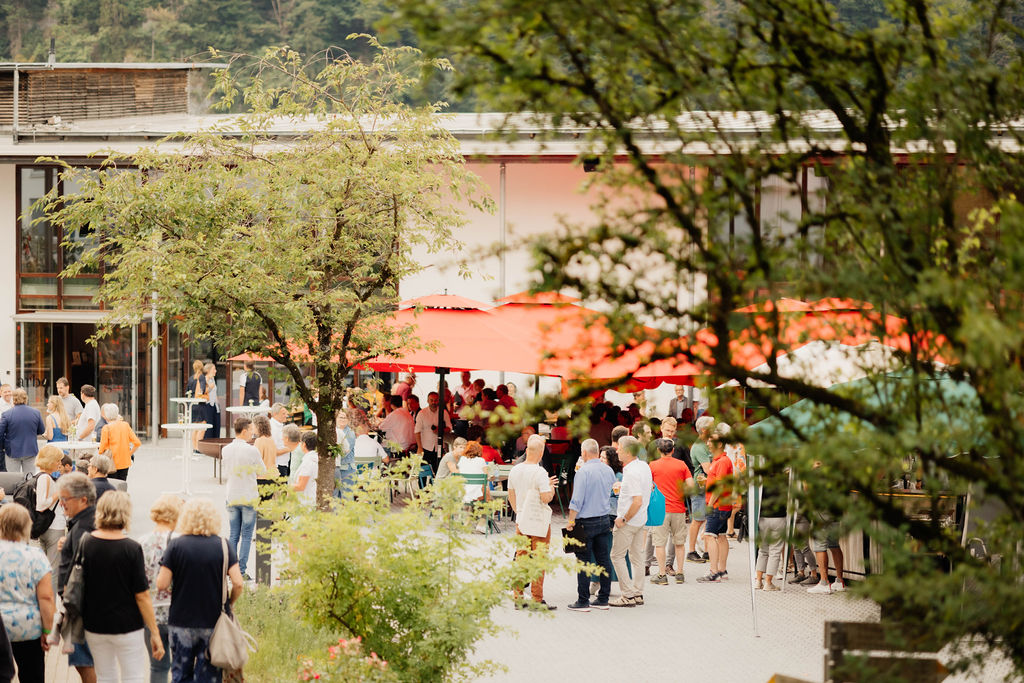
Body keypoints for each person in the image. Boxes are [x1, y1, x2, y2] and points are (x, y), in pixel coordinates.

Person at [81, 492, 164, 682]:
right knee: (133, 675)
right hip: (128, 624)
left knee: (105, 675)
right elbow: (142, 595)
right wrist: (154, 632)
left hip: (95, 623)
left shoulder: (86, 543)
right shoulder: (131, 548)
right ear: (126, 513)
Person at [157, 498, 243, 683]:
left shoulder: (176, 545)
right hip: (213, 621)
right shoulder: (223, 545)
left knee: (181, 673)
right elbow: (238, 583)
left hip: (181, 620)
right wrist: (229, 603)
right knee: (209, 674)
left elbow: (162, 584)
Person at [0, 503, 55, 682]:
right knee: (32, 676)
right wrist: (48, 630)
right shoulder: (35, 556)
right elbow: (46, 597)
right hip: (28, 629)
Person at [564, 438, 616, 611]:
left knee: (584, 561)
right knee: (603, 559)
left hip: (585, 522)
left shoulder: (583, 472)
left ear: (584, 453)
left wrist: (571, 522)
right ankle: (603, 598)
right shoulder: (608, 470)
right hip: (603, 518)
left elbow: (576, 500)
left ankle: (583, 600)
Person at [507, 434, 557, 610]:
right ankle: (537, 598)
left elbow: (511, 494)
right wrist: (551, 488)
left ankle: (518, 597)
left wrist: (518, 511)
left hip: (521, 520)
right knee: (538, 560)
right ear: (541, 452)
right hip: (538, 523)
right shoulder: (540, 472)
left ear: (527, 450)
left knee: (521, 558)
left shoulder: (515, 469)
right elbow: (545, 498)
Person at [56, 472, 97, 683]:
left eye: (65, 499)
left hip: (81, 608)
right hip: (79, 605)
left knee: (84, 662)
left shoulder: (84, 527)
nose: (62, 504)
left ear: (83, 499)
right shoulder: (82, 523)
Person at [139, 494, 182, 683]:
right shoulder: (181, 541)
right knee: (182, 666)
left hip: (150, 613)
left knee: (157, 667)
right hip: (178, 612)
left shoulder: (141, 542)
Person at [608, 435, 653, 607]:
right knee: (637, 556)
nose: (617, 450)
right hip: (641, 519)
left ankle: (627, 595)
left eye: (619, 447)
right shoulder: (644, 466)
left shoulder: (631, 471)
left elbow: (637, 500)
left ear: (627, 451)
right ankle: (638, 592)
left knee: (617, 555)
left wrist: (623, 519)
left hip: (629, 520)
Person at [223, 417, 266, 579]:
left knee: (234, 534)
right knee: (247, 535)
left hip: (232, 494)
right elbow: (261, 470)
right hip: (248, 495)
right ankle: (241, 571)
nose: (253, 433)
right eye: (252, 430)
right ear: (245, 430)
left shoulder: (225, 449)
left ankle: (230, 569)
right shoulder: (252, 450)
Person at [648, 438, 692, 586]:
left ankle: (661, 575)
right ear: (673, 450)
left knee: (660, 544)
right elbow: (690, 485)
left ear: (658, 450)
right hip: (678, 509)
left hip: (659, 510)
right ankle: (680, 573)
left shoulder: (652, 466)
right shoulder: (681, 465)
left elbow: (648, 486)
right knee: (679, 543)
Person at [697, 423, 735, 583]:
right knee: (720, 536)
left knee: (709, 536)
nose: (707, 443)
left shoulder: (721, 462)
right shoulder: (722, 461)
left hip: (717, 504)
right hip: (723, 504)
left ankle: (714, 571)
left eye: (710, 441)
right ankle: (722, 569)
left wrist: (710, 503)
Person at [686, 415, 715, 563]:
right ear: (704, 430)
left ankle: (707, 551)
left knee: (706, 518)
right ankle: (691, 551)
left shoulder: (706, 444)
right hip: (700, 487)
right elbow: (708, 469)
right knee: (697, 520)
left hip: (706, 486)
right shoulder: (699, 447)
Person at [33, 445, 66, 572]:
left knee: (45, 567)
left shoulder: (39, 475)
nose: (59, 464)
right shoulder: (45, 477)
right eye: (58, 460)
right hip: (54, 525)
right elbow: (41, 505)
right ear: (50, 461)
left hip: (45, 525)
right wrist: (58, 493)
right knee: (53, 569)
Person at [754, 476, 788, 592]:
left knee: (763, 550)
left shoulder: (760, 479)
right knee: (775, 551)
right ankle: (768, 582)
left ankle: (758, 581)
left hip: (763, 517)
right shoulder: (785, 480)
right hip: (779, 517)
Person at [0, 388, 45, 473]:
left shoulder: (6, 414)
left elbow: (0, 434)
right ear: (26, 398)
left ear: (14, 399)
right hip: (30, 450)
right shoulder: (36, 412)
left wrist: (3, 447)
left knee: (13, 479)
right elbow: (41, 430)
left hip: (12, 451)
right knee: (29, 479)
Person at [97, 403, 141, 481]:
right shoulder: (125, 425)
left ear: (106, 415)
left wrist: (99, 455)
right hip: (125, 461)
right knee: (122, 484)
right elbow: (137, 443)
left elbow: (102, 448)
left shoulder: (106, 428)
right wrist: (129, 454)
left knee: (113, 485)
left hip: (111, 462)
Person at [414, 391, 452, 468]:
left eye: (436, 400)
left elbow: (450, 428)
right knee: (424, 470)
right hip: (425, 447)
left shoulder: (443, 412)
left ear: (438, 401)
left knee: (439, 469)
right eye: (431, 400)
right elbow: (417, 431)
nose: (434, 402)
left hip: (440, 446)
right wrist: (419, 447)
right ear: (427, 401)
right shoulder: (422, 413)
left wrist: (441, 430)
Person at [293, 431, 321, 507]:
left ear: (304, 444)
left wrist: (285, 487)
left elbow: (301, 486)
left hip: (306, 502)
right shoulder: (315, 459)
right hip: (312, 498)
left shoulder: (309, 461)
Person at [185, 361, 209, 452]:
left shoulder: (191, 378)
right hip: (200, 404)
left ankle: (195, 447)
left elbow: (187, 392)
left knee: (195, 428)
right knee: (202, 427)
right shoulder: (201, 377)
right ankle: (198, 448)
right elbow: (202, 390)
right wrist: (206, 390)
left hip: (193, 405)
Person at [334, 410, 356, 498]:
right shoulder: (333, 431)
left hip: (347, 469)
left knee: (347, 497)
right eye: (340, 417)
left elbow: (344, 453)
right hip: (336, 469)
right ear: (336, 418)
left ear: (348, 420)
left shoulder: (350, 433)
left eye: (345, 417)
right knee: (336, 497)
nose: (343, 419)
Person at [269, 403, 293, 477]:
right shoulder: (273, 428)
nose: (286, 415)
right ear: (275, 414)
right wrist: (291, 448)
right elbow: (274, 451)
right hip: (278, 465)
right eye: (283, 413)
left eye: (286, 413)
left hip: (284, 463)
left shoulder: (280, 425)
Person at [202, 363, 221, 440]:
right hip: (207, 405)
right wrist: (209, 387)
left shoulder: (212, 379)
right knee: (209, 427)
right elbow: (202, 392)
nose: (215, 371)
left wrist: (218, 405)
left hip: (215, 406)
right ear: (208, 370)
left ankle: (215, 443)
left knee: (216, 425)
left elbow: (214, 393)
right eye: (214, 369)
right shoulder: (204, 379)